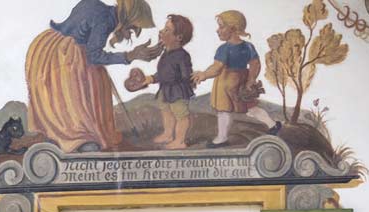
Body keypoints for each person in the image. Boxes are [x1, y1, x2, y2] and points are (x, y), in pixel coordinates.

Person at [25, 0, 161, 152]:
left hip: (51, 45)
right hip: (66, 56)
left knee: (81, 90)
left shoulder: (101, 8)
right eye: (133, 27)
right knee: (78, 94)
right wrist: (129, 56)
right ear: (126, 19)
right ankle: (79, 138)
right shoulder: (104, 21)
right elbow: (94, 56)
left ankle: (61, 134)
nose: (133, 32)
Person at [191, 10, 277, 146]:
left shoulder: (224, 49)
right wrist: (250, 79)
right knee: (250, 108)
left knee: (224, 111)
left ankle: (222, 138)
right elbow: (255, 64)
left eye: (221, 26)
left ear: (233, 28)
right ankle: (272, 125)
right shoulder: (248, 46)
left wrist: (204, 74)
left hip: (226, 82)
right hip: (242, 81)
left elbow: (217, 68)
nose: (217, 30)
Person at [148, 15, 195, 149]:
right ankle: (168, 134)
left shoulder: (182, 55)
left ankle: (180, 141)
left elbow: (185, 75)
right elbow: (162, 72)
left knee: (181, 115)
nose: (161, 31)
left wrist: (168, 78)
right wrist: (152, 78)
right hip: (165, 89)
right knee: (166, 111)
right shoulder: (166, 53)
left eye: (167, 30)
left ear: (178, 37)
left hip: (177, 91)